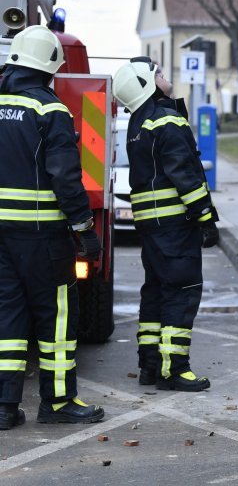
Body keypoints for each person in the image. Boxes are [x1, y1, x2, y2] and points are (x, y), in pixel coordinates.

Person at [0, 25, 104, 428]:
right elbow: (65, 177)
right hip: (43, 237)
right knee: (56, 318)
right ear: (50, 67)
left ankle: (5, 406)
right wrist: (84, 229)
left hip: (2, 236)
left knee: (7, 318)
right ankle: (57, 402)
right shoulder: (50, 110)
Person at [112, 56, 219, 392]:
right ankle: (175, 370)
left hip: (152, 226)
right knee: (182, 292)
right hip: (175, 224)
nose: (163, 73)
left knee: (156, 292)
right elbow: (185, 174)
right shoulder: (166, 120)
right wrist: (205, 217)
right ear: (146, 84)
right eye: (156, 72)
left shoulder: (138, 123)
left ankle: (150, 365)